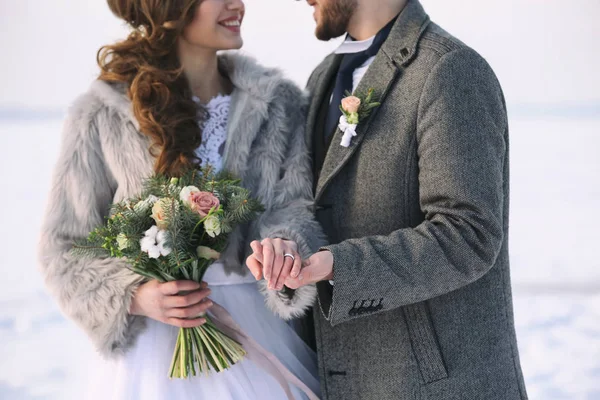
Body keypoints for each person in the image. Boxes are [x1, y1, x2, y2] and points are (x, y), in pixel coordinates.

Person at [38, 0, 325, 398]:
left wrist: (283, 246)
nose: (237, 4)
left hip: (257, 329)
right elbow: (63, 247)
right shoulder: (102, 112)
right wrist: (134, 296)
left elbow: (292, 206)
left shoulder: (277, 104)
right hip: (154, 353)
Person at [247, 0, 528, 399]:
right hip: (347, 378)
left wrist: (339, 267)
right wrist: (288, 248)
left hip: (435, 386)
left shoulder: (449, 69)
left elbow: (468, 235)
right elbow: (316, 206)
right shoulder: (322, 77)